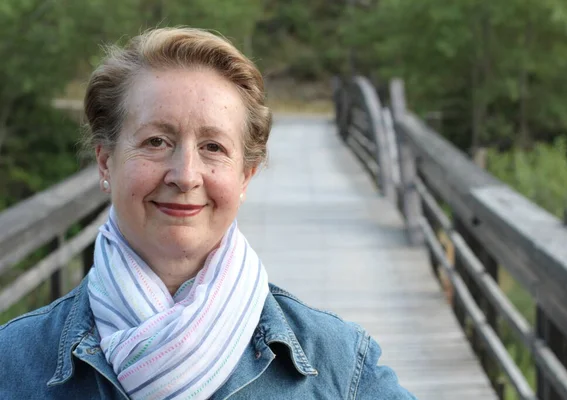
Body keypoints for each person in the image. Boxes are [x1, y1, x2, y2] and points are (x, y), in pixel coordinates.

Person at [0, 27, 417, 400]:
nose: (185, 175)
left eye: (213, 147)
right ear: (106, 162)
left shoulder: (340, 366)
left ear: (245, 176)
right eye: (156, 141)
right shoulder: (12, 363)